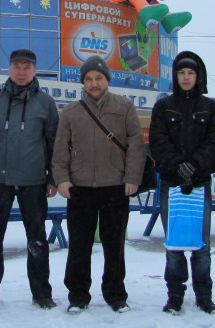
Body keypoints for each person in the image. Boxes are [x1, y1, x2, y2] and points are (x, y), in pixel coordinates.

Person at [52, 55, 146, 314]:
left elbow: (136, 145)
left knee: (114, 244)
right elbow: (60, 149)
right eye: (89, 79)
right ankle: (78, 295)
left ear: (107, 79)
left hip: (115, 186)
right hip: (80, 187)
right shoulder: (71, 111)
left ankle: (116, 294)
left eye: (99, 78)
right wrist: (62, 179)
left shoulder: (124, 106)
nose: (94, 83)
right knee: (79, 245)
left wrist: (132, 178)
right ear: (83, 82)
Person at [0, 49, 59, 312]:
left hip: (33, 182)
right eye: (17, 67)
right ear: (9, 69)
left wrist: (53, 177)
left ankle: (41, 293)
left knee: (37, 239)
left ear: (35, 70)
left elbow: (54, 143)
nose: (22, 72)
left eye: (27, 67)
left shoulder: (46, 103)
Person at [149, 51, 215, 315]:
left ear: (198, 76)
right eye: (181, 72)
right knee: (174, 244)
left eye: (191, 72)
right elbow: (158, 141)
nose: (186, 77)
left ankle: (204, 295)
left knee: (201, 245)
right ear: (175, 76)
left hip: (200, 184)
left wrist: (194, 165)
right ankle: (175, 296)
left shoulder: (211, 108)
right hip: (171, 184)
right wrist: (178, 165)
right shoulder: (163, 106)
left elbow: (214, 141)